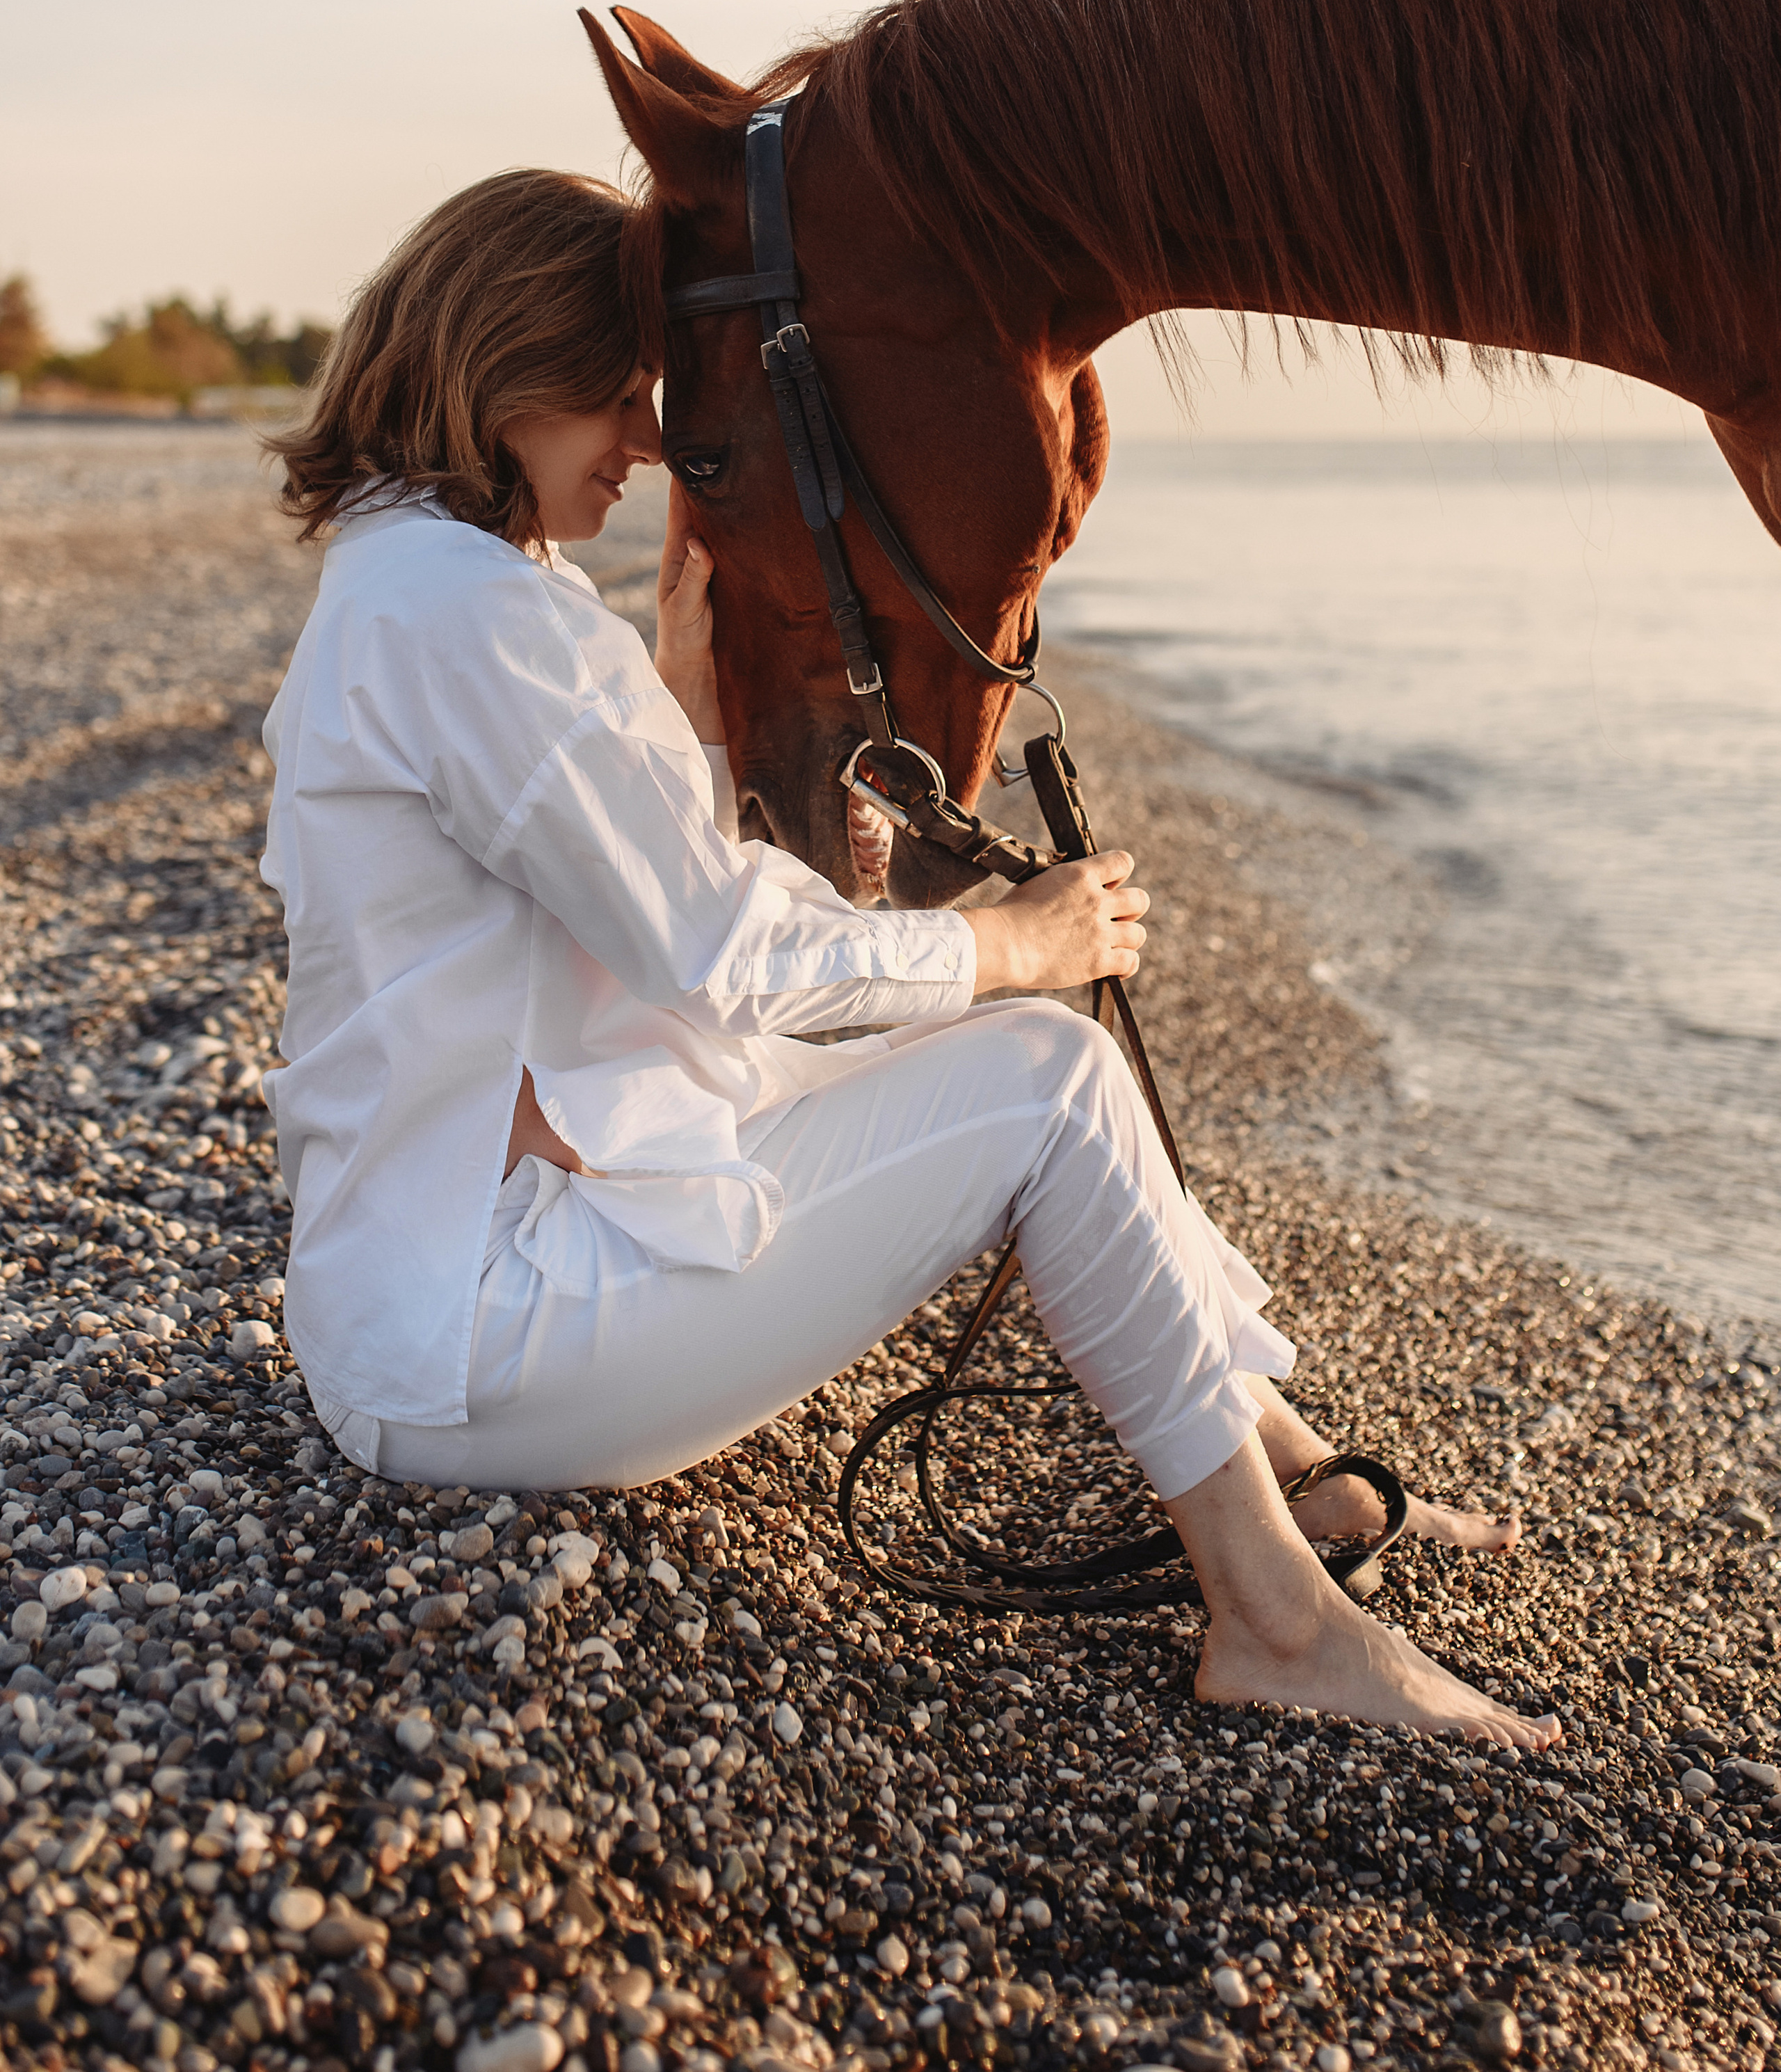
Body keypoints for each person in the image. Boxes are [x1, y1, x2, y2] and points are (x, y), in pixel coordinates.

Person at [262, 166, 1558, 1752]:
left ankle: (1278, 1460)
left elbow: (585, 908)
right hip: (477, 1332)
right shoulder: (465, 621)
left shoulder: (435, 583)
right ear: (502, 365)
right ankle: (1278, 1619)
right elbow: (711, 950)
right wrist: (1007, 940)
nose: (650, 442)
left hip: (480, 1259)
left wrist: (692, 705)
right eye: (620, 393)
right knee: (1042, 1078)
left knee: (970, 1054)